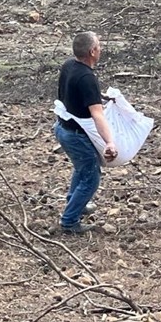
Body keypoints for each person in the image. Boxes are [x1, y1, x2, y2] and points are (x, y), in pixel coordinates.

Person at [54, 31, 117, 234]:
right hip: (76, 136)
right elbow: (97, 115)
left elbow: (74, 95)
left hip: (62, 128)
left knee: (82, 169)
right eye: (99, 47)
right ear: (92, 51)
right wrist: (110, 142)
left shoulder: (69, 66)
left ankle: (76, 204)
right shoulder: (87, 77)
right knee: (91, 177)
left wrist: (100, 97)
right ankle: (70, 221)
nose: (100, 50)